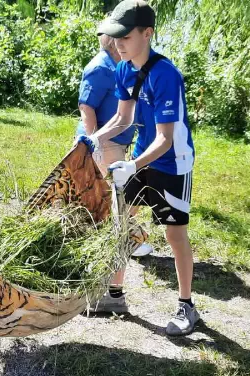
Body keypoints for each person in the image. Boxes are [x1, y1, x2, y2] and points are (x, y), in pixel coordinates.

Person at [83, 0, 198, 335]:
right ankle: (114, 296)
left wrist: (131, 164)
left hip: (172, 162)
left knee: (174, 234)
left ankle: (186, 306)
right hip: (142, 157)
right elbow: (123, 117)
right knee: (122, 225)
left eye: (125, 35)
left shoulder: (166, 75)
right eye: (114, 36)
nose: (117, 42)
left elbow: (165, 138)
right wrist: (96, 138)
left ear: (147, 34)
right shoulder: (124, 68)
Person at [76, 32, 153, 314]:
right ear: (113, 41)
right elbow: (87, 109)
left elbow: (129, 116)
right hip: (106, 146)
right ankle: (107, 290)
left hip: (129, 150)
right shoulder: (102, 67)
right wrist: (94, 142)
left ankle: (111, 292)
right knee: (109, 215)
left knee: (117, 217)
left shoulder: (132, 68)